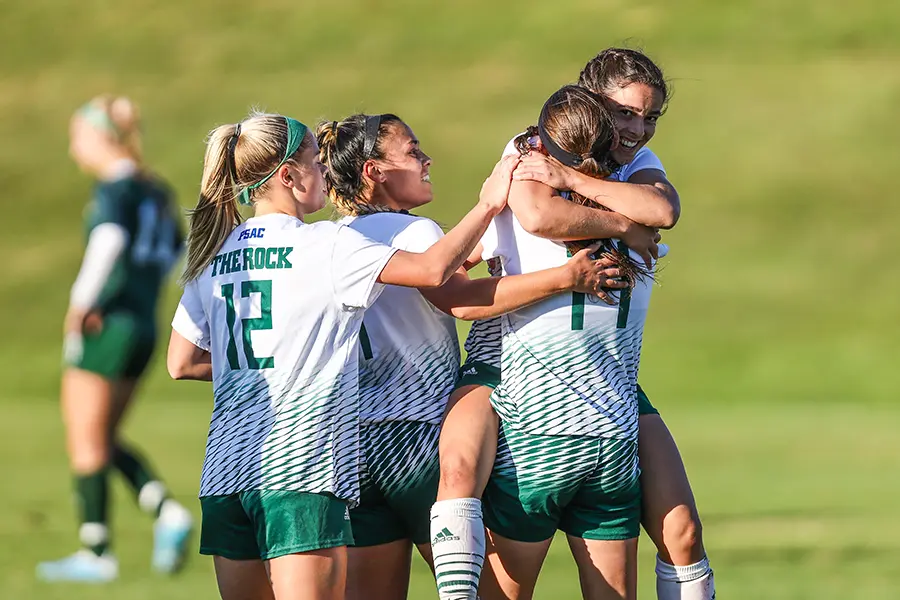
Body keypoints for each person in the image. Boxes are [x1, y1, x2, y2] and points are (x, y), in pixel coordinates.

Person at [166, 110, 522, 600]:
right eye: (315, 162)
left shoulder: (215, 254)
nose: (325, 174)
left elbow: (180, 362)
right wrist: (487, 204)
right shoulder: (327, 243)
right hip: (298, 471)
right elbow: (435, 269)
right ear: (288, 175)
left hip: (224, 476)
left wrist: (279, 367)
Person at [432, 49, 715, 600]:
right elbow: (539, 217)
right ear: (588, 100)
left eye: (649, 116)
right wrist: (621, 227)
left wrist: (601, 203)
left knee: (681, 534)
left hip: (609, 396)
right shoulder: (530, 152)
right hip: (529, 400)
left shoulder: (633, 165)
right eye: (626, 113)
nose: (637, 129)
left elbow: (663, 210)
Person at [315, 114, 627, 600]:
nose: (426, 159)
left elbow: (449, 264)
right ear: (374, 171)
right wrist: (565, 277)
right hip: (415, 434)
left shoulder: (337, 242)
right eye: (413, 151)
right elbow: (462, 299)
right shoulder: (414, 232)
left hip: (351, 444)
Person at [37, 96, 193, 583]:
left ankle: (96, 551)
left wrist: (82, 304)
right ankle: (167, 512)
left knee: (85, 439)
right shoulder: (155, 190)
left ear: (100, 137)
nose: (73, 150)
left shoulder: (116, 189)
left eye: (77, 138)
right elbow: (180, 255)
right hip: (143, 325)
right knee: (102, 438)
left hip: (107, 323)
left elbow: (109, 242)